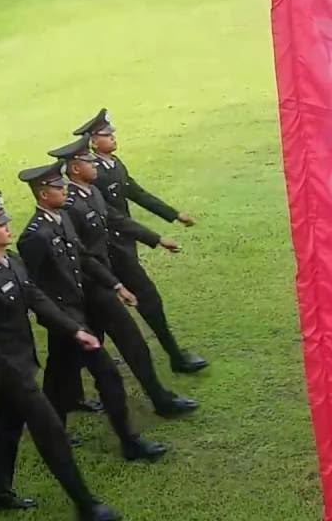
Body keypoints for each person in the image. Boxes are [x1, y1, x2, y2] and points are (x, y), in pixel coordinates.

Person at [0, 190, 121, 520]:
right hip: (9, 370)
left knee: (6, 424)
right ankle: (86, 505)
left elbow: (37, 299)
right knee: (51, 432)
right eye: (0, 224)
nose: (8, 227)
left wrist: (74, 330)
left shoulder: (12, 262)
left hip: (22, 360)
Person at [15, 162, 169, 461]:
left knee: (59, 373)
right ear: (44, 194)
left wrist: (116, 285)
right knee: (107, 375)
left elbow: (83, 258)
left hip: (78, 309)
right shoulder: (34, 237)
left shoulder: (61, 218)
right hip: (65, 317)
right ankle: (129, 442)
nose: (65, 190)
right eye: (58, 187)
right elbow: (35, 288)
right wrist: (66, 324)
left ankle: (51, 430)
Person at [50, 136, 200, 417]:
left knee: (86, 346)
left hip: (106, 274)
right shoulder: (70, 205)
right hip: (94, 285)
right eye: (88, 161)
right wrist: (115, 284)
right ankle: (159, 402)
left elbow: (117, 219)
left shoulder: (91, 193)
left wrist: (156, 239)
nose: (94, 164)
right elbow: (80, 255)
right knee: (125, 344)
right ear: (75, 168)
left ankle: (64, 399)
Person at [75, 109, 208, 373]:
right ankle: (175, 357)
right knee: (145, 298)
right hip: (112, 247)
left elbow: (136, 193)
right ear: (94, 142)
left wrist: (173, 214)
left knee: (106, 309)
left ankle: (95, 359)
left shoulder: (114, 164)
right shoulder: (94, 174)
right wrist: (156, 238)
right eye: (107, 135)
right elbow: (113, 218)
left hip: (123, 243)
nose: (113, 138)